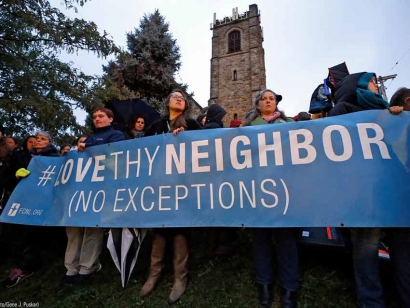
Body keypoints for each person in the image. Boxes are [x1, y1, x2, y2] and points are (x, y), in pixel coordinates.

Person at [328, 72, 388, 307]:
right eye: (372, 81)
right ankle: (371, 301)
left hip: (385, 189)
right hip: (362, 193)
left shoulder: (384, 111)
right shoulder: (343, 109)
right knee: (365, 246)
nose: (377, 85)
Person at [140, 89, 201, 304]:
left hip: (183, 184)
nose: (180, 99)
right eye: (175, 97)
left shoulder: (191, 124)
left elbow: (204, 147)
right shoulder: (156, 126)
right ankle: (154, 274)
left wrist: (185, 139)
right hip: (160, 185)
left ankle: (179, 277)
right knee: (160, 228)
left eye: (182, 98)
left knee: (180, 229)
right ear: (167, 103)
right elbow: (140, 151)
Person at [243, 89, 299, 308]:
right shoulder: (247, 129)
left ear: (276, 104)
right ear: (257, 105)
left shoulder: (288, 124)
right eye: (264, 99)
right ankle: (264, 283)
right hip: (257, 189)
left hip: (284, 189)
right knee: (261, 238)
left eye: (271, 99)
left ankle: (289, 288)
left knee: (286, 238)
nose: (268, 101)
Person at [63, 107, 124, 284]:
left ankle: (87, 268)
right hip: (82, 189)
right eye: (95, 116)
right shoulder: (89, 138)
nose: (97, 119)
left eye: (101, 116)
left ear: (110, 119)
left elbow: (115, 151)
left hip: (100, 189)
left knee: (92, 227)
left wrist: (88, 147)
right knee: (74, 228)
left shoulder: (116, 135)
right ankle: (70, 268)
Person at [2, 131, 60, 289]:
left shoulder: (55, 158)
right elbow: (6, 178)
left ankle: (27, 267)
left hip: (41, 203)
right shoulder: (23, 158)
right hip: (21, 201)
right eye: (37, 139)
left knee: (34, 235)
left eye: (43, 139)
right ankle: (18, 266)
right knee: (17, 235)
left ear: (50, 142)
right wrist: (16, 176)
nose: (38, 141)